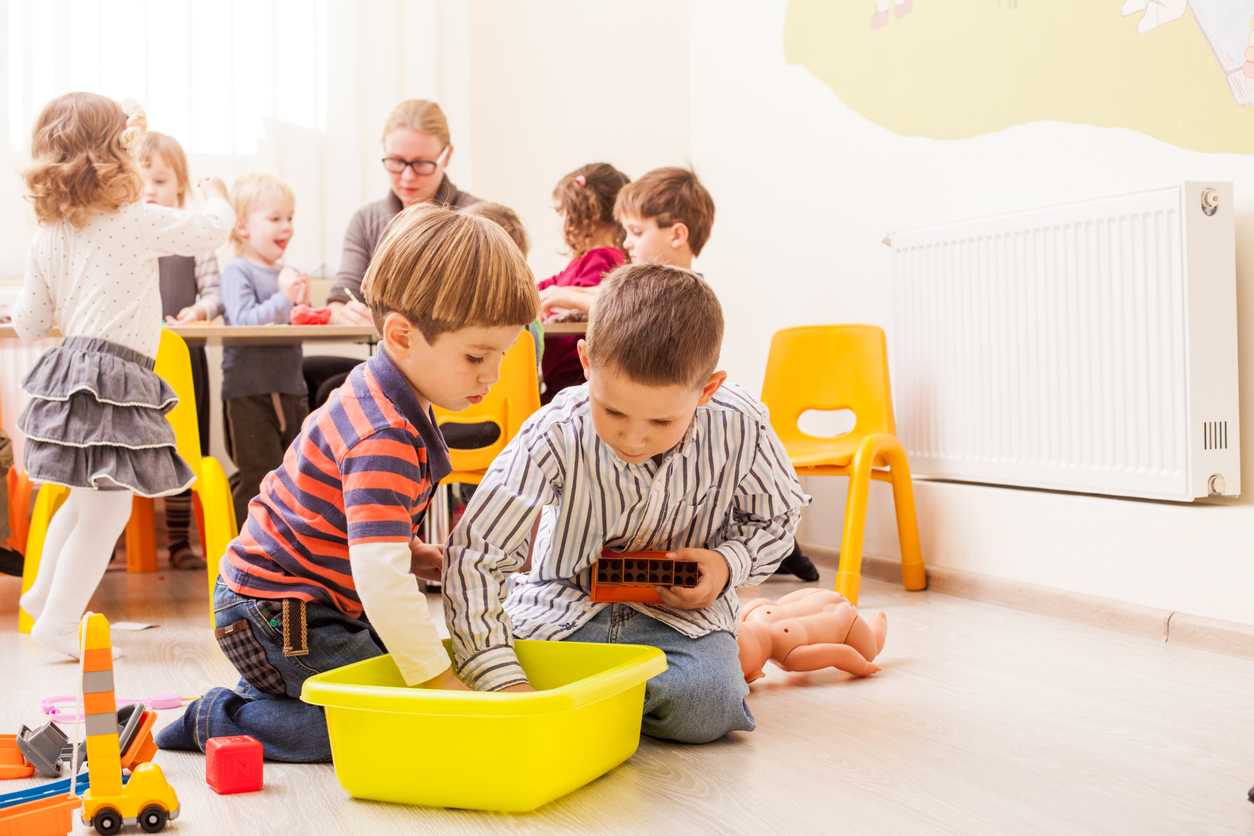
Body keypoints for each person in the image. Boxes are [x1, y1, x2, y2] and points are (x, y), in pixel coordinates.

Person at [155, 204, 540, 762]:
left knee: (403, 673)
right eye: (478, 355)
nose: (493, 375)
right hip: (276, 608)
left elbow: (351, 517)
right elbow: (378, 578)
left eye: (502, 354)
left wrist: (413, 553)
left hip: (311, 601)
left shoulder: (392, 391)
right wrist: (436, 686)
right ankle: (220, 718)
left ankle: (280, 692)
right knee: (376, 723)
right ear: (402, 335)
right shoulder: (382, 431)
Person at [444, 263, 810, 743]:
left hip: (680, 621)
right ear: (585, 362)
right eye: (612, 410)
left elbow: (778, 515)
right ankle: (614, 699)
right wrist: (503, 680)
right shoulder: (554, 430)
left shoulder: (742, 424)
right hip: (561, 609)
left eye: (661, 422)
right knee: (512, 674)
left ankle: (610, 698)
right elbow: (476, 553)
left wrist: (726, 564)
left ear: (707, 389)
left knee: (708, 709)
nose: (633, 439)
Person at [12, 92, 233, 658]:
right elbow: (208, 233)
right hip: (114, 373)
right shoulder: (136, 220)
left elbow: (31, 320)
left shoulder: (48, 235)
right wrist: (219, 198)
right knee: (108, 506)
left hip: (68, 372)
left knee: (86, 499)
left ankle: (42, 596)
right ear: (119, 157)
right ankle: (59, 623)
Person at [537, 166, 819, 582]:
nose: (626, 243)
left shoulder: (682, 295)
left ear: (676, 235)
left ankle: (779, 552)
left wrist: (562, 295)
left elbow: (606, 296)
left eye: (634, 232)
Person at [304, 100, 480, 408]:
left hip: (453, 367)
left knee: (336, 392)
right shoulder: (367, 221)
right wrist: (340, 311)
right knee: (307, 376)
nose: (407, 178)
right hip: (398, 363)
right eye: (396, 162)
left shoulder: (477, 219)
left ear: (446, 156)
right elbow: (340, 297)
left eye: (422, 163)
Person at [140, 130, 223, 570]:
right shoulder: (127, 235)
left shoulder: (195, 237)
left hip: (183, 360)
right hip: (136, 360)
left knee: (182, 448)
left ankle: (178, 541)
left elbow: (215, 291)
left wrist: (199, 309)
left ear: (180, 184)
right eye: (139, 181)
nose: (148, 191)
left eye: (157, 180)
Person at [219, 173, 310, 526]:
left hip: (290, 389)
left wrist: (301, 303)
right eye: (275, 219)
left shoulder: (284, 273)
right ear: (242, 227)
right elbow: (243, 322)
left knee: (292, 475)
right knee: (258, 475)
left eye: (289, 218)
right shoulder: (237, 270)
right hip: (250, 393)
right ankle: (244, 554)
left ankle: (284, 553)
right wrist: (284, 298)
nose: (286, 226)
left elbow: (298, 321)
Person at [535, 163, 630, 404]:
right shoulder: (579, 264)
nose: (559, 225)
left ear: (587, 214)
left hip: (579, 380)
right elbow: (539, 288)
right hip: (560, 380)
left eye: (561, 213)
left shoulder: (605, 260)